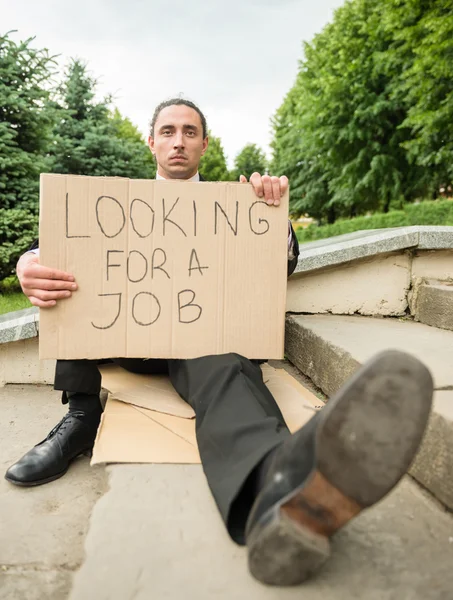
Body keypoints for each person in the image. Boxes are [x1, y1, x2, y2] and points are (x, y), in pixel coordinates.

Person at [5, 98, 433, 586]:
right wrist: (28, 263)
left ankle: (277, 490)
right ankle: (82, 417)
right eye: (168, 131)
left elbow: (283, 261)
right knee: (72, 289)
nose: (178, 141)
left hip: (199, 343)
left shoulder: (238, 203)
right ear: (151, 142)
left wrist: (273, 214)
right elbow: (57, 243)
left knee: (228, 369)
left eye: (190, 132)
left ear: (204, 145)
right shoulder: (115, 201)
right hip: (125, 337)